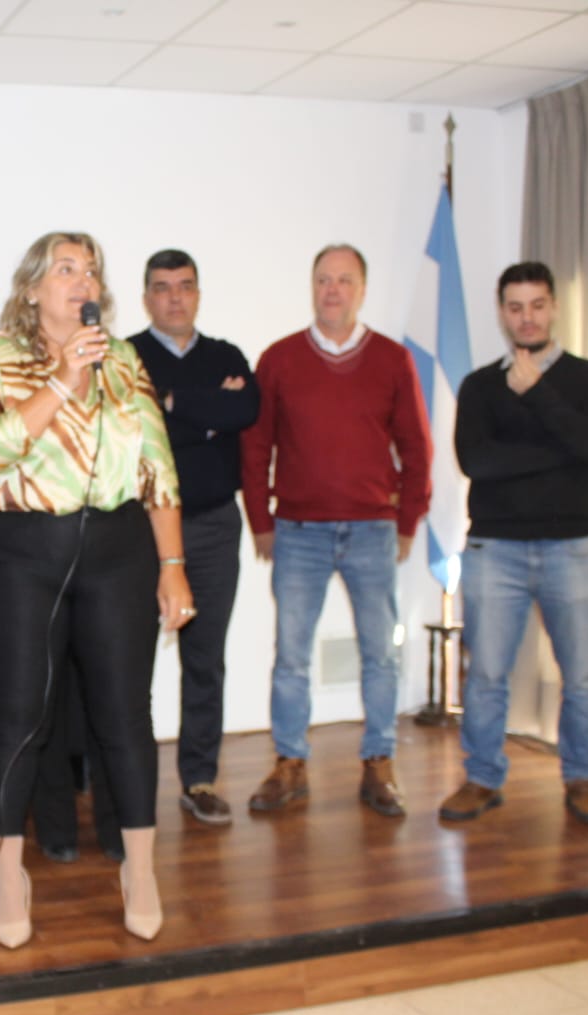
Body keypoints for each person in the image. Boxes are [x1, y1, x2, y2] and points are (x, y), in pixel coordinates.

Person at [0, 231, 192, 948]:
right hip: (20, 554)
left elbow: (157, 465)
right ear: (32, 287)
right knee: (18, 718)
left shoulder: (122, 359)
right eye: (65, 269)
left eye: (89, 270)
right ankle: (8, 875)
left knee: (125, 716)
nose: (82, 279)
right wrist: (61, 380)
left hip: (117, 552)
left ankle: (140, 871)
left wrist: (172, 564)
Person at [239, 244, 430, 818]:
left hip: (373, 530)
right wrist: (261, 521)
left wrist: (407, 521)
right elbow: (256, 447)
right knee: (291, 656)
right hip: (298, 532)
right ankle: (290, 763)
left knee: (381, 654)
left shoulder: (392, 359)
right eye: (324, 279)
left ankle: (379, 762)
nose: (333, 290)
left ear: (361, 290)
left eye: (345, 280)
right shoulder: (279, 359)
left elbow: (417, 448)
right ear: (312, 286)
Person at [440, 262, 588, 826]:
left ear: (554, 306)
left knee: (584, 675)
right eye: (515, 307)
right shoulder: (479, 386)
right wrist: (560, 452)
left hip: (576, 546)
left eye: (537, 305)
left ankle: (582, 778)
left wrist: (539, 394)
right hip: (496, 549)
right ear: (502, 312)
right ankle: (481, 777)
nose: (527, 318)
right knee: (486, 674)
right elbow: (477, 462)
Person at [130, 249, 259, 824]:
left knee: (205, 661)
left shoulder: (226, 355)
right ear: (146, 298)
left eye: (185, 286)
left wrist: (172, 402)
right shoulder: (127, 355)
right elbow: (135, 429)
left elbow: (244, 410)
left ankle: (200, 779)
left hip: (213, 525)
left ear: (198, 294)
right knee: (127, 661)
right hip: (139, 529)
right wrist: (208, 413)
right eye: (162, 287)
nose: (175, 297)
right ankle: (126, 783)